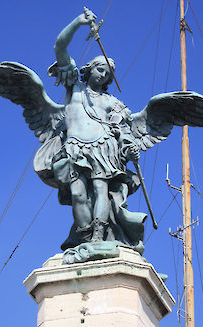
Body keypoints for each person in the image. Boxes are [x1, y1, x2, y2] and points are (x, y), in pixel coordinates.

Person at [34, 9, 146, 250]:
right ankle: (84, 235)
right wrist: (78, 23)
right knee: (77, 195)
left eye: (108, 73)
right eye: (100, 69)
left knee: (100, 188)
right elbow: (59, 47)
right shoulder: (74, 88)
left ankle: (98, 234)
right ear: (90, 69)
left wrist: (131, 147)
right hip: (74, 150)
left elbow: (123, 132)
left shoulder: (112, 103)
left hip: (103, 149)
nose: (103, 74)